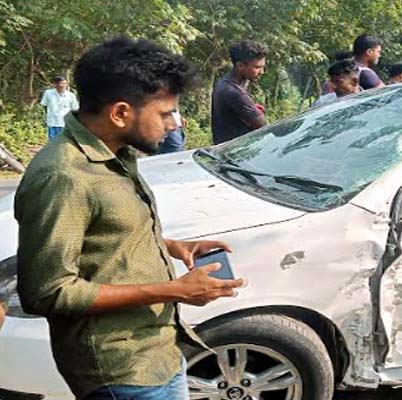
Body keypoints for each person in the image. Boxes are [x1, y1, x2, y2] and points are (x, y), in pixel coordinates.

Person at [15, 37, 245, 400]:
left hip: (158, 351)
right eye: (166, 113)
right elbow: (47, 292)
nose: (174, 124)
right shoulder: (63, 176)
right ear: (120, 113)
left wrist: (172, 246)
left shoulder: (116, 152)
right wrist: (173, 290)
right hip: (121, 371)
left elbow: (106, 232)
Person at [212, 39, 267, 144]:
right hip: (237, 151)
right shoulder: (234, 93)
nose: (262, 72)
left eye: (262, 67)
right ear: (240, 66)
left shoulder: (225, 82)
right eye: (257, 67)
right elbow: (263, 125)